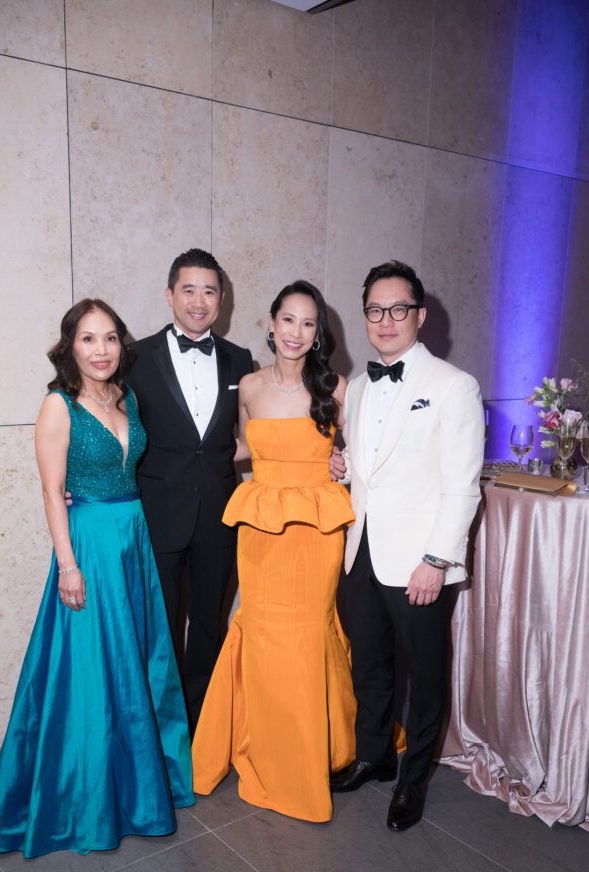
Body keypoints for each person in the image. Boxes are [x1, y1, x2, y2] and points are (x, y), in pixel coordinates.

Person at [0, 299, 194, 859]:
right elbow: (52, 491)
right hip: (91, 545)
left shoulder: (127, 397)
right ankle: (88, 801)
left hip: (133, 538)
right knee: (94, 670)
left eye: (110, 338)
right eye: (88, 339)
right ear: (70, 346)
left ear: (122, 344)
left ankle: (138, 787)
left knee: (137, 663)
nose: (101, 350)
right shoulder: (58, 406)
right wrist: (68, 565)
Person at [191, 281, 358, 823]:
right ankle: (262, 748)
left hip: (316, 530)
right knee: (260, 632)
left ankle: (311, 755)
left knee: (308, 633)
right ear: (270, 322)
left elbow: (364, 458)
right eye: (289, 320)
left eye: (309, 324)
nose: (296, 332)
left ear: (319, 335)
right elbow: (238, 449)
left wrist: (344, 464)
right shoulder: (249, 388)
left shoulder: (339, 389)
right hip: (262, 528)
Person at [330, 260, 484, 832]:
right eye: (375, 310)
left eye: (399, 309)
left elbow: (461, 486)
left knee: (424, 671)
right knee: (368, 662)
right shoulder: (361, 387)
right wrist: (342, 467)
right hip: (361, 552)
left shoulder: (453, 385)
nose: (386, 320)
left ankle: (414, 777)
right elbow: (369, 469)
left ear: (420, 315)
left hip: (420, 561)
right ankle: (374, 755)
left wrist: (437, 560)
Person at [126, 249, 253, 732]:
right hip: (158, 515)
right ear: (169, 295)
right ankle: (160, 726)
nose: (199, 301)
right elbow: (117, 430)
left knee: (208, 625)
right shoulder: (135, 357)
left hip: (219, 515)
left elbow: (248, 440)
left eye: (209, 291)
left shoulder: (241, 360)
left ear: (222, 299)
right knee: (159, 627)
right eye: (189, 290)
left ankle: (203, 726)